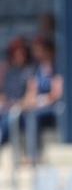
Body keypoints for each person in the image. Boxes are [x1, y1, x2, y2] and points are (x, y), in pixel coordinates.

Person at [18, 36, 63, 164]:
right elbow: (31, 92)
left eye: (39, 49)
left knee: (33, 116)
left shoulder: (57, 66)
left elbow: (56, 93)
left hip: (55, 108)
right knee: (15, 115)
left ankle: (32, 156)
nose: (36, 53)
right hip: (39, 107)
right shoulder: (37, 69)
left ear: (48, 50)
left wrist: (40, 101)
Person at [0, 36, 34, 145]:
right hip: (6, 108)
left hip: (21, 111)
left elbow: (30, 95)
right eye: (17, 53)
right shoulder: (9, 71)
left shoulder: (30, 70)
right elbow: (4, 94)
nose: (20, 56)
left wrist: (17, 104)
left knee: (8, 121)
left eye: (23, 53)